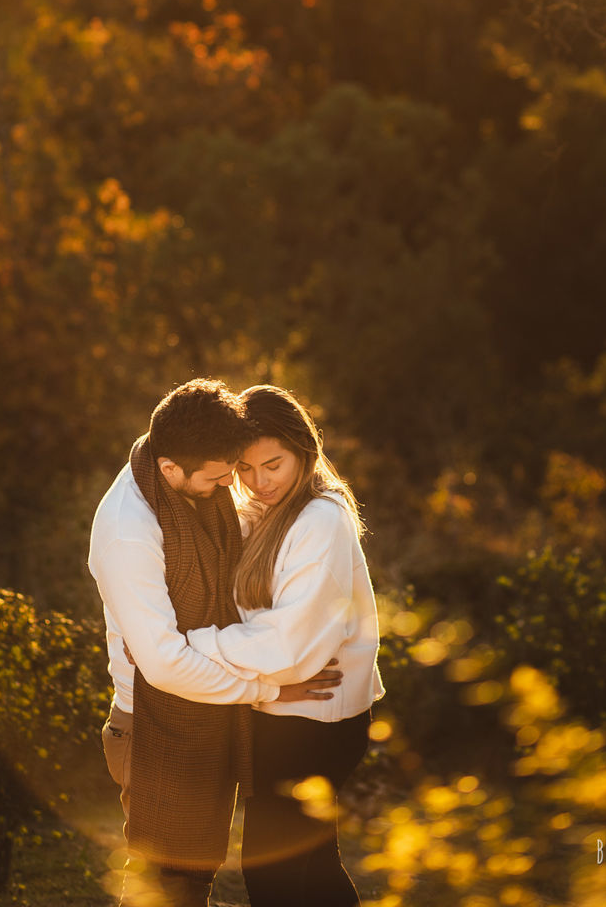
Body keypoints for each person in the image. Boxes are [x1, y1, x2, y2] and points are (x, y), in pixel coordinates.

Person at [87, 378, 342, 907]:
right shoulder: (129, 530)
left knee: (195, 875)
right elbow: (163, 665)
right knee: (167, 879)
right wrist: (270, 691)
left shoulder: (183, 475)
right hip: (151, 721)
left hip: (207, 709)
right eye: (220, 477)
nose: (231, 486)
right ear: (170, 469)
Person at [183, 384, 383, 907]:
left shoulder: (320, 519)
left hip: (314, 720)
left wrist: (194, 646)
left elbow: (288, 648)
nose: (259, 481)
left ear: (304, 450)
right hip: (291, 714)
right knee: (313, 871)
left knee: (272, 875)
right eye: (245, 468)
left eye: (273, 464)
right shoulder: (265, 511)